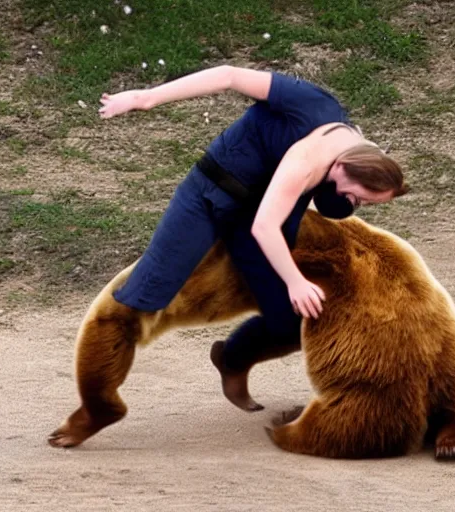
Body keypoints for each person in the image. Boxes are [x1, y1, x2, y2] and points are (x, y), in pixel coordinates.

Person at [99, 65, 408, 411]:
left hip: (262, 217)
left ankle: (231, 361)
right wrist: (146, 97)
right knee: (146, 294)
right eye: (361, 197)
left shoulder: (354, 151)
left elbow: (266, 225)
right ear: (340, 168)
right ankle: (97, 395)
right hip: (213, 196)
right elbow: (229, 75)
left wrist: (295, 286)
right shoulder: (308, 132)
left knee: (290, 321)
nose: (360, 205)